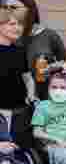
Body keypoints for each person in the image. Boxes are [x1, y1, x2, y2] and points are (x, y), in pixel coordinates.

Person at [6, 0, 66, 102]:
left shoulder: (49, 35)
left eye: (13, 7)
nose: (8, 10)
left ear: (29, 10)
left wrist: (52, 67)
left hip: (47, 98)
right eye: (6, 8)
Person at [0, 8, 35, 149]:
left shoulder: (20, 50)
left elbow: (27, 78)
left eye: (20, 24)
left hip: (20, 114)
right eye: (12, 24)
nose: (18, 28)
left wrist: (31, 93)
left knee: (20, 152)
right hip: (1, 115)